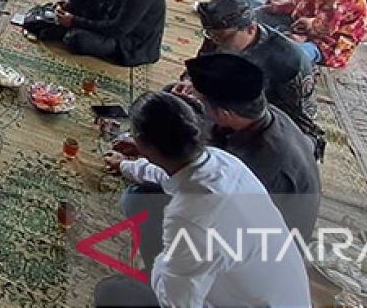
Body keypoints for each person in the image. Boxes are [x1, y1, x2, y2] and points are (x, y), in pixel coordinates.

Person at [93, 92, 311, 308]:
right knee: (140, 201)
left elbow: (179, 303)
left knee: (112, 294)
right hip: (266, 289)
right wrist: (126, 165)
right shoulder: (221, 162)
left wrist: (165, 264)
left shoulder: (191, 217)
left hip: (240, 299)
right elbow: (171, 175)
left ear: (144, 143)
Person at [119, 54, 321, 254]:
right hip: (241, 212)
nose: (191, 95)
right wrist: (185, 98)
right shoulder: (256, 112)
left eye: (197, 97)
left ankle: (154, 271)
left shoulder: (257, 162)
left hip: (258, 246)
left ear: (224, 113)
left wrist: (133, 162)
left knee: (139, 199)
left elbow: (187, 180)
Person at [193, 0, 324, 156]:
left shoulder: (288, 60)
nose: (217, 43)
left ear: (250, 29)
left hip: (267, 121)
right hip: (227, 107)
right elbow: (202, 66)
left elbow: (300, 118)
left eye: (223, 38)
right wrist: (189, 82)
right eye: (211, 36)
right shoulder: (219, 37)